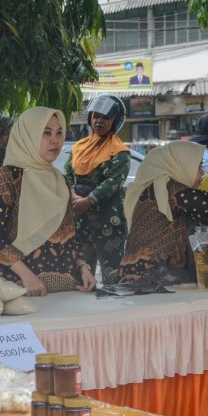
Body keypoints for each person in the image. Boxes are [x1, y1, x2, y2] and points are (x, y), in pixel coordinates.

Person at [0, 107, 96, 296]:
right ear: (28, 135)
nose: (55, 139)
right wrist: (27, 277)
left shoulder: (60, 181)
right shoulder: (7, 178)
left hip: (66, 292)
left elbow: (70, 235)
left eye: (59, 132)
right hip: (22, 291)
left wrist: (83, 267)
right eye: (46, 132)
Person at [119, 141, 208, 281]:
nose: (202, 173)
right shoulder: (169, 188)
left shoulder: (158, 187)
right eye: (198, 167)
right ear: (182, 165)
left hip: (140, 273)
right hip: (151, 275)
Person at [64, 94, 129, 281]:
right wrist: (72, 195)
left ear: (115, 121)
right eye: (96, 116)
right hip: (80, 221)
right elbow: (68, 174)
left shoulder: (120, 152)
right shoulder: (78, 147)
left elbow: (113, 182)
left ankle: (115, 310)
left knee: (111, 276)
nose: (99, 121)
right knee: (82, 273)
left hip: (108, 221)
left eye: (106, 117)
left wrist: (89, 200)